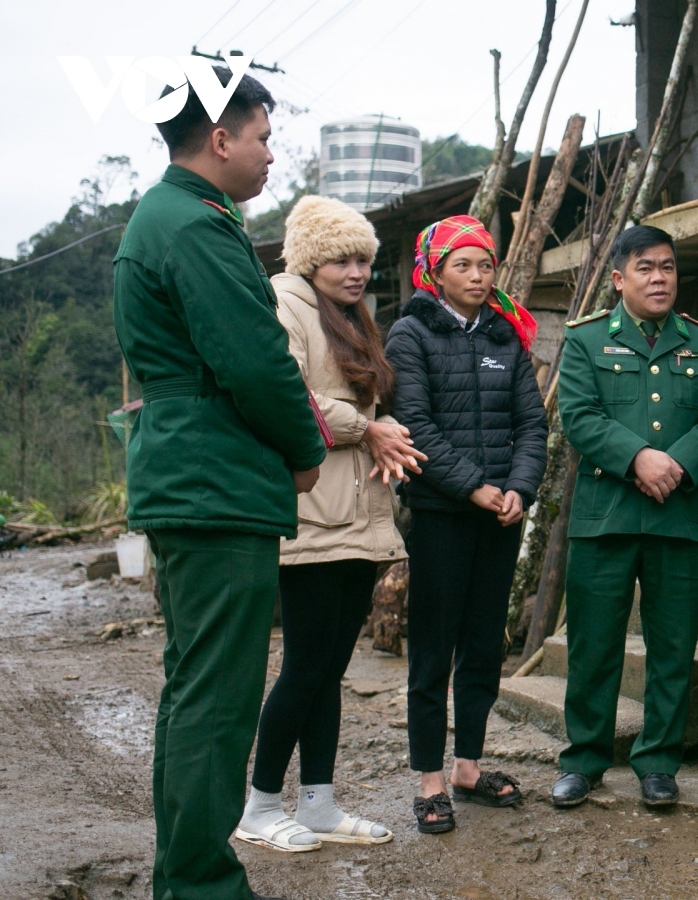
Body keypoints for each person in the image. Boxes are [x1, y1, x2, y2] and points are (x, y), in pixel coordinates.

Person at [113, 69, 326, 900]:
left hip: (191, 471)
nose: (273, 154)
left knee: (194, 691)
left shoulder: (171, 217)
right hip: (215, 476)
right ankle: (200, 882)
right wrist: (303, 447)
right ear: (221, 139)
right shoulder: (195, 226)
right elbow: (252, 359)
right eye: (265, 137)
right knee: (218, 700)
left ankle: (186, 873)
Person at [233, 196, 424, 852]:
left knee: (329, 666)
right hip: (312, 514)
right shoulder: (284, 304)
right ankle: (258, 806)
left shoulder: (347, 316)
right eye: (341, 259)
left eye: (364, 260)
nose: (356, 271)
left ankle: (317, 802)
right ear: (312, 258)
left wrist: (380, 427)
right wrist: (365, 426)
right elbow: (283, 392)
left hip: (359, 516)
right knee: (305, 666)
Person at [549, 226, 698, 809]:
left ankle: (658, 762)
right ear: (618, 279)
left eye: (668, 269)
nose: (660, 279)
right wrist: (638, 458)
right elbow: (577, 415)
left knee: (673, 646)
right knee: (594, 645)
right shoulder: (584, 340)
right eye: (646, 269)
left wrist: (675, 464)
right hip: (605, 517)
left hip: (678, 517)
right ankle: (583, 760)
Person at [386, 214, 548, 834]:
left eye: (485, 265)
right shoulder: (410, 335)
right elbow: (415, 427)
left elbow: (532, 425)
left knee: (484, 644)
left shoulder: (507, 337)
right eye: (464, 265)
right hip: (440, 515)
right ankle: (429, 780)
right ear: (435, 271)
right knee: (433, 646)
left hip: (499, 516)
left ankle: (468, 767)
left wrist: (519, 490)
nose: (478, 276)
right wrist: (476, 488)